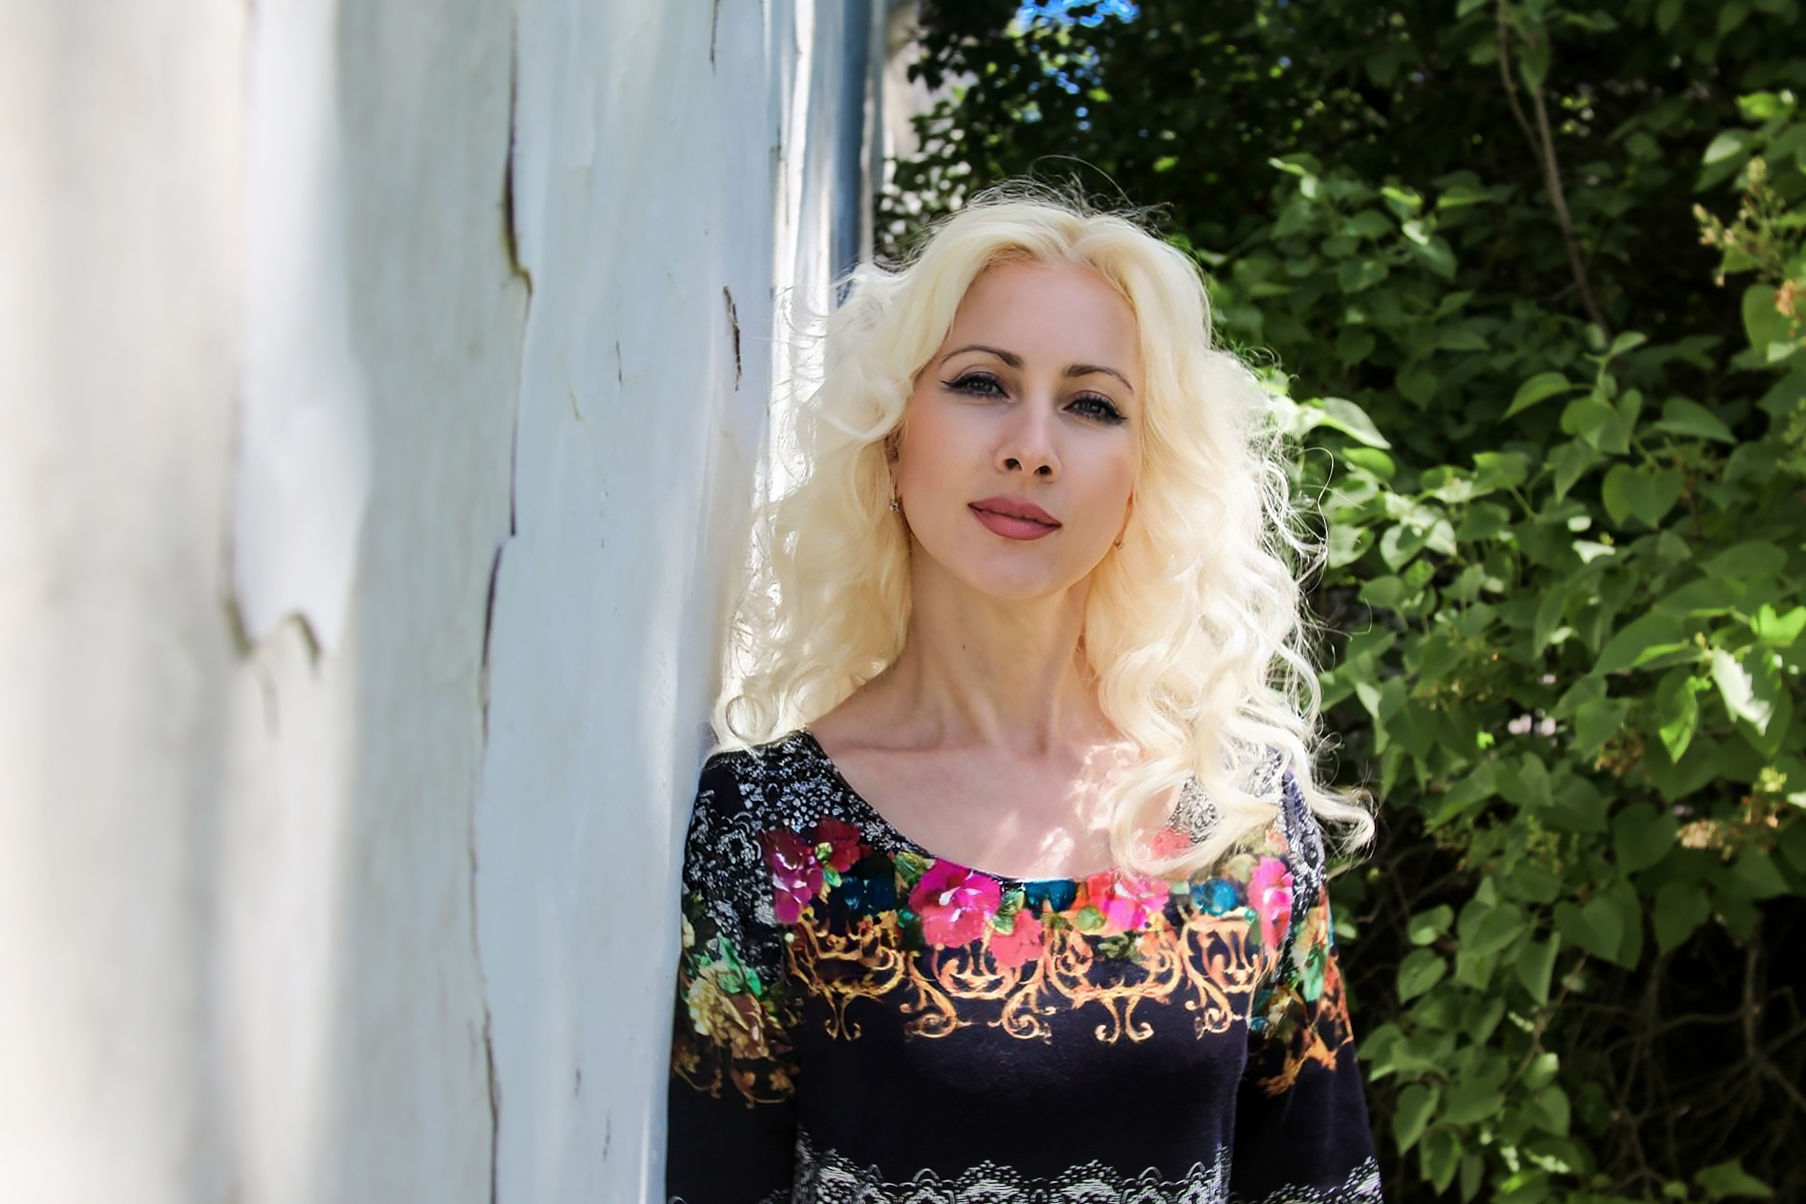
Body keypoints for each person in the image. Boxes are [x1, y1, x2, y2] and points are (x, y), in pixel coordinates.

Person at [665, 192, 1381, 1204]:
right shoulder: (768, 828)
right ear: (892, 436)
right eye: (981, 383)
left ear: (1142, 477)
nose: (1032, 445)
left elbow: (1323, 1186)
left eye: (1093, 405)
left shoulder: (1236, 822)